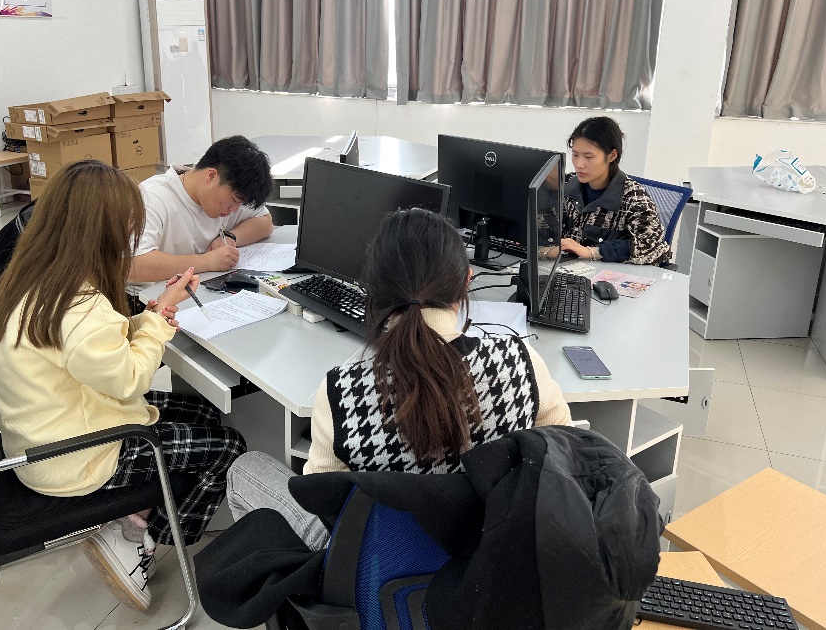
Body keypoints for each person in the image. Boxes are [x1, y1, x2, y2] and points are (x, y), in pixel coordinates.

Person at [0, 160, 246, 613]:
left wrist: (154, 311)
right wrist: (158, 323)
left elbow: (94, 350)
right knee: (228, 446)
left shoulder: (35, 275)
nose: (130, 236)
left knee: (203, 413)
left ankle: (138, 515)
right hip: (77, 457)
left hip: (47, 430)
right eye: (127, 226)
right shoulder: (78, 304)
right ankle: (142, 542)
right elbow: (129, 380)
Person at [225, 207, 572, 550]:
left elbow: (323, 503)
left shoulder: (341, 394)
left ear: (372, 289)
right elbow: (564, 456)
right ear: (466, 281)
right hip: (491, 561)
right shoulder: (521, 362)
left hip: (381, 570)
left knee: (244, 467)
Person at [127, 135, 274, 312]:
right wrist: (207, 261)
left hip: (199, 295)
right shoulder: (152, 198)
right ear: (211, 176)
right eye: (234, 200)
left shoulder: (225, 195)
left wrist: (231, 237)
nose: (235, 210)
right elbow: (133, 265)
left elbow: (265, 221)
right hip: (147, 305)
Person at [541, 116, 670, 266]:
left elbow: (652, 247)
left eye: (588, 156)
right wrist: (545, 251)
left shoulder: (633, 198)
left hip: (611, 274)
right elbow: (536, 228)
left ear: (612, 156)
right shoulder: (566, 186)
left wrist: (592, 252)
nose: (579, 164)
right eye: (575, 155)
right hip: (568, 269)